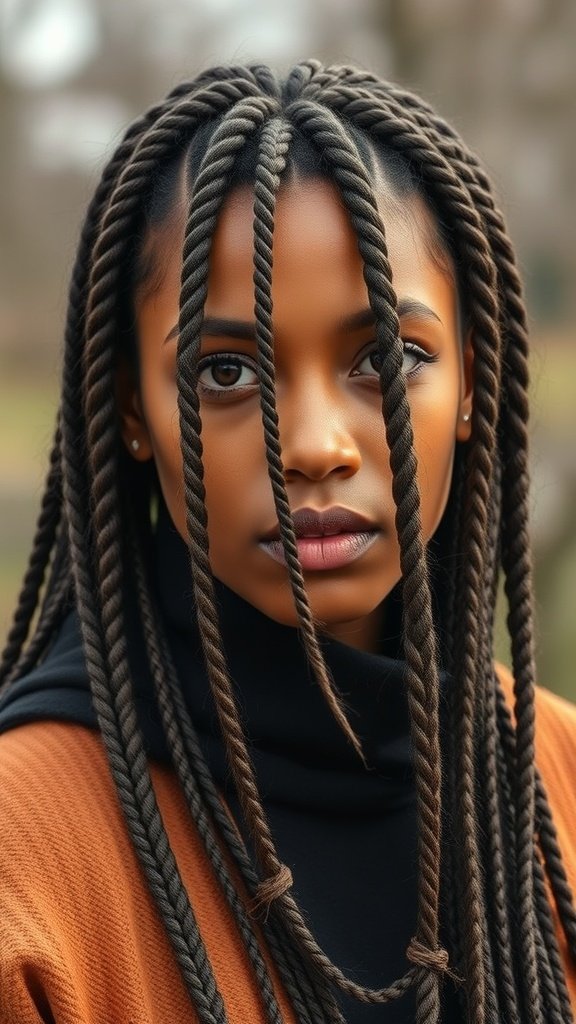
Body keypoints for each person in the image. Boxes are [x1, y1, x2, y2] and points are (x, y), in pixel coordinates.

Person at [0, 60, 574, 1024]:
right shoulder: (29, 862)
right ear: (131, 411)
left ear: (475, 381)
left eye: (386, 357)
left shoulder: (555, 775)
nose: (312, 445)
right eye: (224, 371)